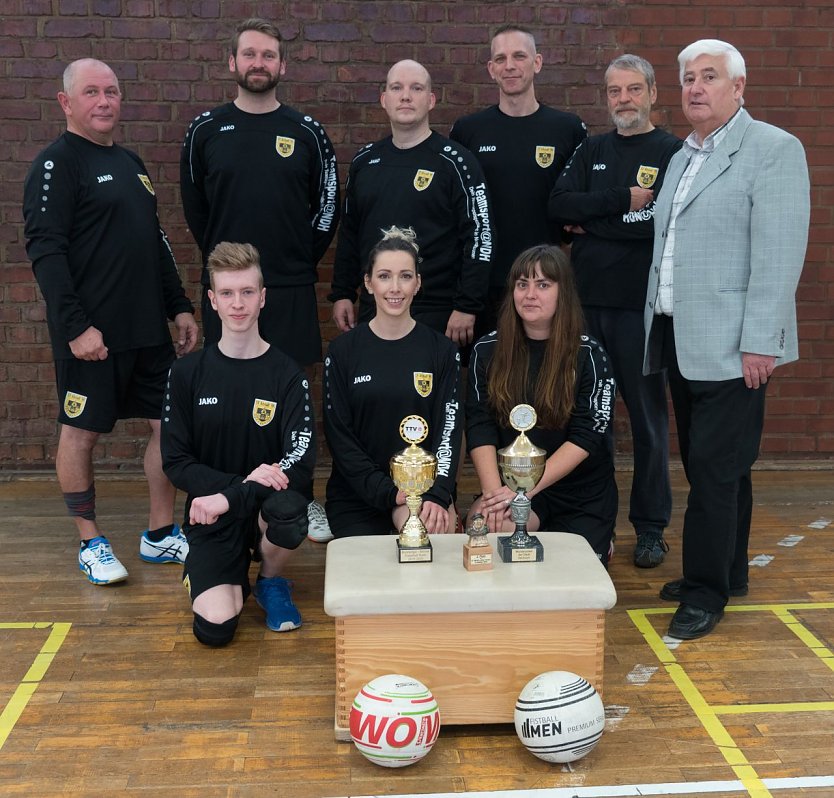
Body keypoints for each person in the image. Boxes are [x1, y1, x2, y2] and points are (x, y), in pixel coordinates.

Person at [644, 40, 810, 639]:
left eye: (709, 77)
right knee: (720, 467)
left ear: (738, 87)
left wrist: (761, 340)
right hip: (682, 338)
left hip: (737, 346)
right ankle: (728, 570)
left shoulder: (771, 150)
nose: (695, 88)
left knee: (713, 472)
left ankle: (705, 591)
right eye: (687, 77)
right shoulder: (682, 156)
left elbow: (779, 254)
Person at [22, 59, 198, 585]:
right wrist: (76, 327)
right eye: (92, 92)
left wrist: (180, 306)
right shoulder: (56, 165)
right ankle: (90, 540)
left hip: (147, 330)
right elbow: (46, 252)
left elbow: (155, 243)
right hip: (89, 336)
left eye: (113, 92)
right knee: (81, 433)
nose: (104, 101)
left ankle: (161, 533)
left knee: (168, 428)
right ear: (66, 102)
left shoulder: (131, 162)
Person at [180, 18, 338, 543]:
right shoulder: (205, 129)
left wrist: (294, 259)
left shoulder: (307, 131)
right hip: (230, 287)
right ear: (232, 62)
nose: (258, 64)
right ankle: (226, 491)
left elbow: (328, 206)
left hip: (290, 285)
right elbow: (195, 208)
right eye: (249, 54)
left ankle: (302, 498)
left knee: (298, 393)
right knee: (224, 387)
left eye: (268, 55)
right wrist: (227, 269)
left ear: (282, 65)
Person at [549, 54, 682, 569]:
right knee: (586, 423)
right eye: (613, 91)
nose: (622, 100)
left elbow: (659, 225)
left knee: (648, 422)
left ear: (651, 92)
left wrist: (595, 219)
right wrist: (620, 200)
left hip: (639, 311)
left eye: (632, 90)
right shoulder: (593, 148)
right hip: (584, 311)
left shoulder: (673, 152)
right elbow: (559, 207)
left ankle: (650, 528)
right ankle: (593, 524)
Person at [161, 242, 315, 646]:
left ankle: (270, 579)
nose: (238, 304)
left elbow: (297, 463)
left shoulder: (287, 374)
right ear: (212, 300)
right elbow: (176, 462)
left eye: (247, 292)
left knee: (291, 510)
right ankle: (210, 571)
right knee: (215, 630)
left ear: (262, 297)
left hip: (261, 509)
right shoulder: (187, 373)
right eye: (227, 293)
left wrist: (232, 496)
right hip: (212, 517)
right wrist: (239, 487)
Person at [466, 245, 617, 565]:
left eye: (543, 284)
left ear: (564, 293)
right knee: (486, 537)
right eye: (523, 284)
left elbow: (587, 436)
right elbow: (479, 425)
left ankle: (602, 538)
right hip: (512, 484)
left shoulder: (590, 355)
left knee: (570, 573)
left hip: (580, 493)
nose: (530, 294)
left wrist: (526, 492)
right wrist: (495, 496)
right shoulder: (487, 349)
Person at [329, 60, 493, 350]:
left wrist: (468, 305)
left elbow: (480, 237)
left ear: (430, 100)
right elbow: (350, 233)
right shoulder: (364, 162)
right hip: (375, 306)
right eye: (397, 88)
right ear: (384, 99)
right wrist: (342, 292)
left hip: (436, 311)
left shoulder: (457, 162)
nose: (406, 96)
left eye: (416, 88)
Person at [323, 227, 462, 538]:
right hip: (357, 496)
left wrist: (439, 492)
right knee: (369, 582)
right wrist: (387, 491)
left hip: (423, 491)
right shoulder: (343, 351)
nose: (395, 287)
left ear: (418, 282)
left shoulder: (441, 351)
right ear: (368, 283)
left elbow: (449, 430)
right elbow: (339, 436)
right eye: (384, 276)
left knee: (428, 540)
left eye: (405, 276)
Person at [450, 25, 587, 333]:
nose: (509, 65)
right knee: (490, 377)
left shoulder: (568, 129)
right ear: (491, 69)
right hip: (487, 284)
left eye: (519, 56)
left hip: (547, 283)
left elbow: (579, 206)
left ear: (537, 63)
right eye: (500, 58)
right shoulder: (468, 131)